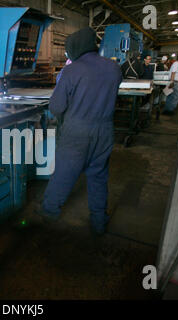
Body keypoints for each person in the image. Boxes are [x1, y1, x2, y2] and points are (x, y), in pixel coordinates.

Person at [38, 27, 123, 235]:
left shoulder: (72, 70)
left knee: (65, 173)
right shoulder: (114, 68)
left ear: (75, 47)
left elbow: (56, 107)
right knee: (98, 176)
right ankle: (99, 220)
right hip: (104, 131)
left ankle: (49, 212)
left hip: (77, 131)